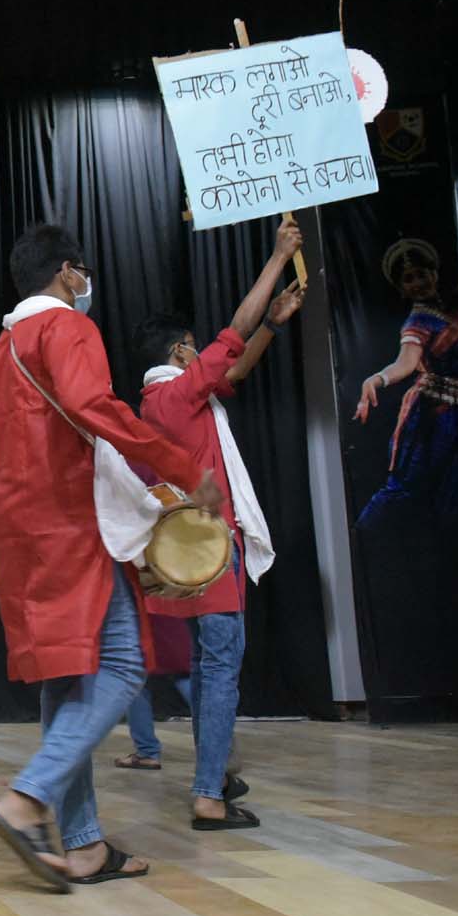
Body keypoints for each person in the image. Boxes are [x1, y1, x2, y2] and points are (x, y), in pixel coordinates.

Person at [0, 223, 221, 892]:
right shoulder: (66, 326)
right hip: (66, 516)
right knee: (121, 662)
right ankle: (26, 797)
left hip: (16, 521)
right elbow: (91, 407)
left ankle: (83, 843)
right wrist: (178, 467)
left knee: (67, 677)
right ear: (67, 271)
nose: (86, 283)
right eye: (81, 272)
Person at [131, 217, 304, 829]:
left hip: (185, 551)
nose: (201, 350)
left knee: (209, 667)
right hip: (209, 545)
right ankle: (208, 793)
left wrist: (273, 325)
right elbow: (233, 335)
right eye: (193, 346)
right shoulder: (176, 397)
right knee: (221, 667)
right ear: (181, 351)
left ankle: (217, 773)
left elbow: (232, 371)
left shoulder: (160, 401)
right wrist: (278, 257)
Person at [351, 239, 458, 528]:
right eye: (409, 279)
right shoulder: (419, 320)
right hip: (434, 416)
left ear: (435, 273)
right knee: (405, 486)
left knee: (454, 494)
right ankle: (361, 536)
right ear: (402, 289)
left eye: (422, 274)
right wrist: (377, 379)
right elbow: (406, 363)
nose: (418, 283)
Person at [113, 614, 192, 771]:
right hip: (171, 610)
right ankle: (221, 745)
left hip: (147, 612)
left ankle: (147, 752)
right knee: (182, 673)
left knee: (137, 678)